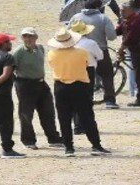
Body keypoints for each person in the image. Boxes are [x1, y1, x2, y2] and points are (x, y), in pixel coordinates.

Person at [47, 27, 110, 157]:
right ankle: (96, 145)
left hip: (60, 86)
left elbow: (52, 65)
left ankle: (69, 147)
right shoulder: (82, 53)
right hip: (80, 85)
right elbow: (87, 65)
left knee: (64, 118)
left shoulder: (52, 54)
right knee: (87, 116)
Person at [11, 27, 64, 150]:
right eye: (25, 36)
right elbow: (10, 68)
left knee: (48, 111)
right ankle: (28, 140)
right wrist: (18, 82)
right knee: (26, 113)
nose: (27, 39)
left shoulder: (40, 48)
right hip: (25, 84)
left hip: (41, 82)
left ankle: (53, 138)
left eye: (30, 36)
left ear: (36, 37)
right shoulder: (19, 51)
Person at [71, 0, 120, 109]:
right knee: (107, 75)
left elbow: (69, 34)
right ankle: (110, 101)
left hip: (79, 51)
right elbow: (112, 37)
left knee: (83, 76)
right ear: (99, 7)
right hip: (100, 49)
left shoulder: (76, 17)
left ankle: (85, 99)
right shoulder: (103, 18)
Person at [70, 20, 104, 135]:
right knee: (87, 98)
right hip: (88, 70)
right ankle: (86, 124)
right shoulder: (91, 43)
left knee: (74, 98)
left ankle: (77, 125)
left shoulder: (70, 44)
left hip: (73, 71)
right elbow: (100, 56)